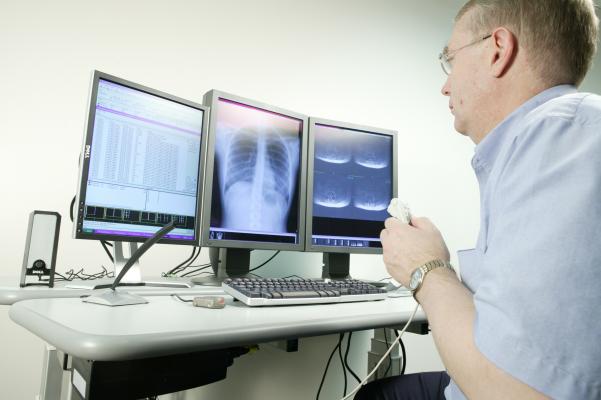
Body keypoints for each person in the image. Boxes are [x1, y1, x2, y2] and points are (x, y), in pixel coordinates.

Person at [356, 0, 601, 399]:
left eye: (450, 59)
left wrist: (426, 269)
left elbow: (517, 392)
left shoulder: (561, 134)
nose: (445, 85)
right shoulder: (542, 143)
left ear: (498, 50)